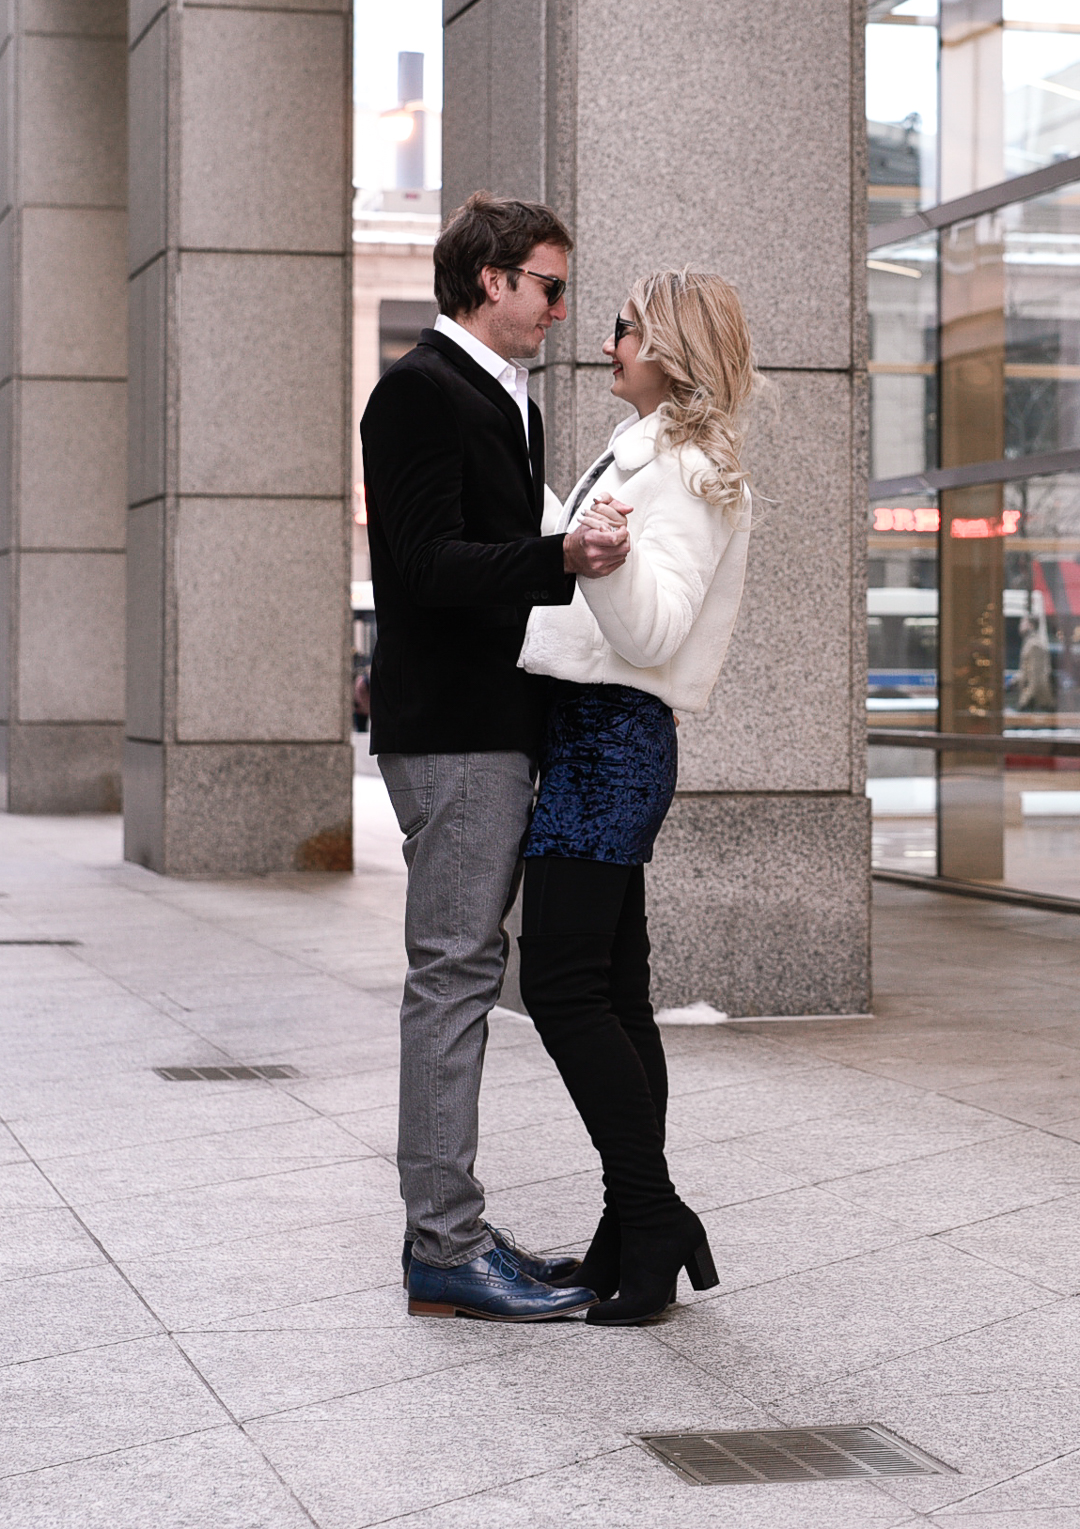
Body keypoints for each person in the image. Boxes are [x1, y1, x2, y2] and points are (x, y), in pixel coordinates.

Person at [360, 192, 629, 1322]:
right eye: (549, 288)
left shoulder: (499, 395)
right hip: (457, 734)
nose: (561, 312)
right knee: (457, 976)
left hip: (488, 726)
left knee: (463, 972)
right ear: (488, 281)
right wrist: (557, 552)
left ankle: (454, 1226)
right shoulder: (420, 392)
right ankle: (444, 1245)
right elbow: (420, 566)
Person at [516, 268, 756, 1325]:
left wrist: (599, 550)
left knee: (562, 988)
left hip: (610, 742)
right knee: (609, 991)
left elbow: (651, 631)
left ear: (667, 346)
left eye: (622, 327)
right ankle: (633, 1231)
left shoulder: (693, 472)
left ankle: (651, 1212)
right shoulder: (645, 454)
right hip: (589, 736)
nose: (605, 340)